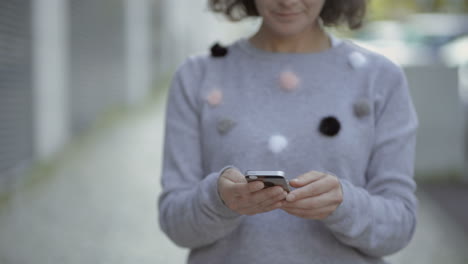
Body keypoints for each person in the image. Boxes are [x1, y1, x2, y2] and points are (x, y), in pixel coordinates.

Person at [158, 0, 419, 263]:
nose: (287, 1)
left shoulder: (381, 78)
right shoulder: (196, 75)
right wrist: (218, 201)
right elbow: (175, 224)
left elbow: (399, 227)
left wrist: (345, 206)